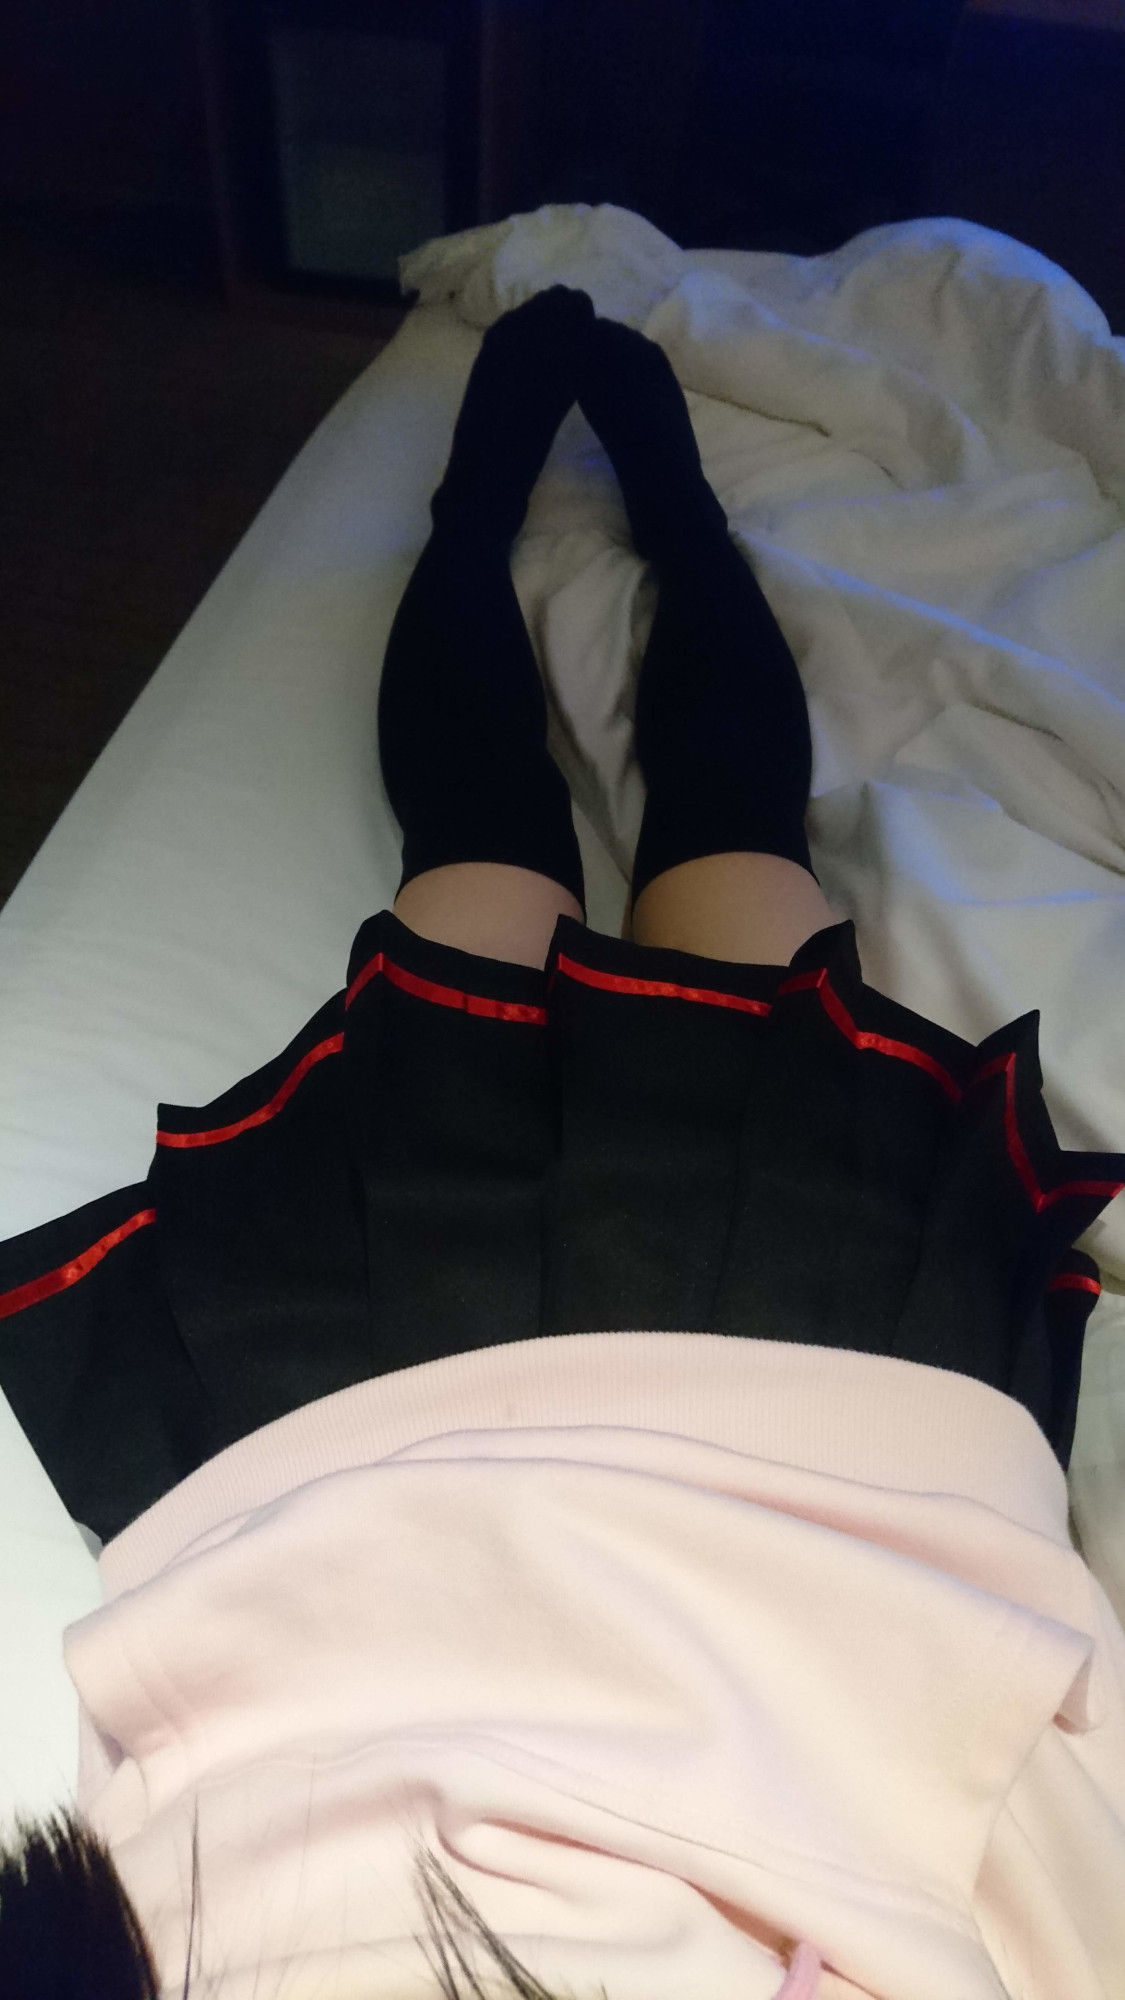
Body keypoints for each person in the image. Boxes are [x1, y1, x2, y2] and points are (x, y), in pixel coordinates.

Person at [0, 286, 1122, 2000]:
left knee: (482, 868)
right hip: (812, 1467)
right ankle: (657, 508)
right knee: (726, 859)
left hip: (379, 1482)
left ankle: (499, 499)